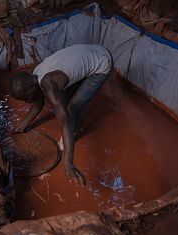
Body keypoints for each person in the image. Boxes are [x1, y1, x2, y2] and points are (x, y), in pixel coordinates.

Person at [9, 44, 112, 185]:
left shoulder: (49, 86)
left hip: (101, 63)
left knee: (72, 108)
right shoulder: (36, 74)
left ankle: (69, 139)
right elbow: (38, 103)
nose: (27, 102)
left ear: (32, 87)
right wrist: (23, 125)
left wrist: (68, 163)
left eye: (26, 98)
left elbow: (66, 121)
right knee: (63, 100)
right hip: (91, 50)